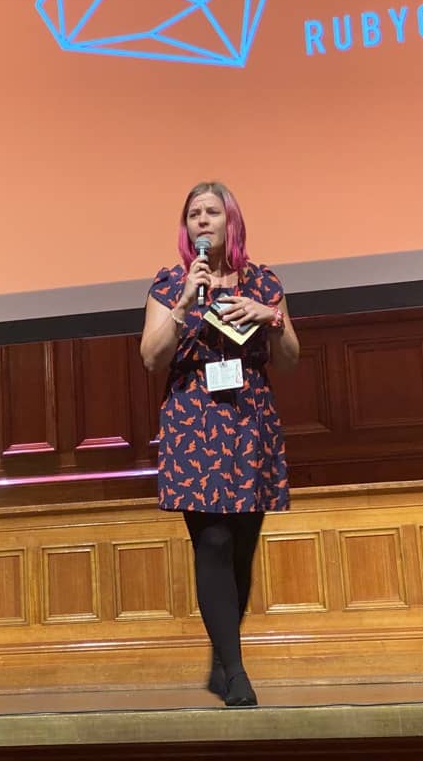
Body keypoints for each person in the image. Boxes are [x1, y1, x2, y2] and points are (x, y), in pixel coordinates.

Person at [140, 182, 299, 707]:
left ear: (231, 222)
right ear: (185, 228)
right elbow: (151, 357)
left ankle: (220, 658)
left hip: (249, 419)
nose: (202, 221)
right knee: (211, 541)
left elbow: (291, 356)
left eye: (212, 212)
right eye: (193, 214)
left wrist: (268, 316)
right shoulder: (169, 284)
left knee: (241, 548)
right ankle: (236, 674)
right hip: (193, 418)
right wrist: (184, 303)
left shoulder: (263, 281)